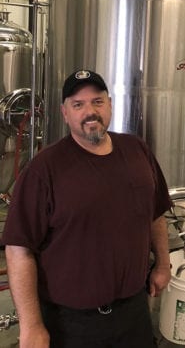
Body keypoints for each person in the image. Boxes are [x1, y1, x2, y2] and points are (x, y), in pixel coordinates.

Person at [2, 69, 172, 348]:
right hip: (71, 324)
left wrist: (163, 265)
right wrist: (32, 326)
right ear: (65, 113)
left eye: (97, 101)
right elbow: (19, 249)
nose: (89, 112)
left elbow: (156, 213)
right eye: (78, 104)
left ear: (110, 105)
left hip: (134, 311)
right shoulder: (44, 170)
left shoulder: (137, 150)